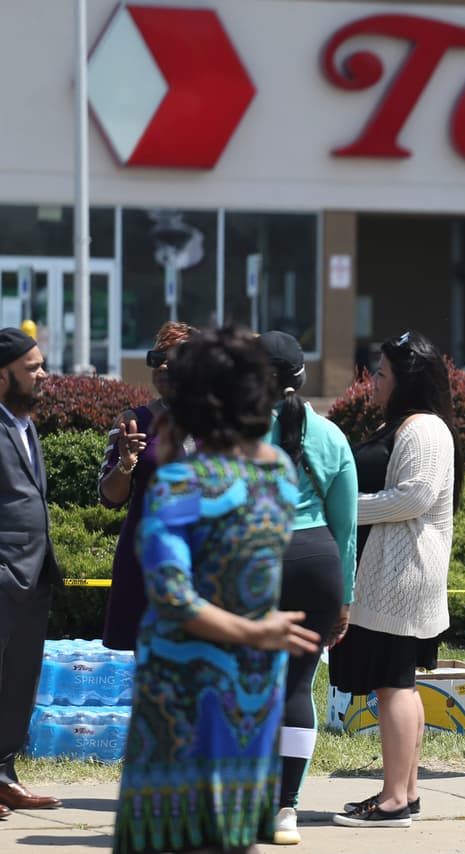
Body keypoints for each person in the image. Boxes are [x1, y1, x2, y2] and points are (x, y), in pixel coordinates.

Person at [112, 326, 321, 854]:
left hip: (184, 682)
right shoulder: (277, 474)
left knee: (173, 832)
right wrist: (259, 631)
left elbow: (174, 598)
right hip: (254, 676)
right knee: (234, 829)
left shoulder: (179, 485)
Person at [329, 330, 462, 828]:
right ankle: (404, 792)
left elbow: (414, 498)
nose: (373, 382)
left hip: (402, 577)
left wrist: (341, 510)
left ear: (407, 380)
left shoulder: (424, 429)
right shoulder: (407, 424)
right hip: (390, 574)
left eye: (381, 374)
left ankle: (393, 802)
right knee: (397, 684)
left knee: (394, 686)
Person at [259, 331, 357, 845]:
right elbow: (346, 527)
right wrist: (344, 596)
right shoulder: (332, 436)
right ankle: (286, 809)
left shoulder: (235, 431)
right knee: (298, 686)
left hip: (257, 561)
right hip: (317, 562)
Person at [99, 321, 197, 651]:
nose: (164, 365)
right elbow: (109, 498)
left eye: (174, 357)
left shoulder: (217, 423)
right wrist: (126, 464)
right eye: (157, 358)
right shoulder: (133, 422)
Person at [0, 328, 61, 818]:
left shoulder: (24, 423)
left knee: (19, 682)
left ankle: (3, 774)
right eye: (32, 368)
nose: (43, 375)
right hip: (3, 576)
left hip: (33, 579)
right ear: (2, 378)